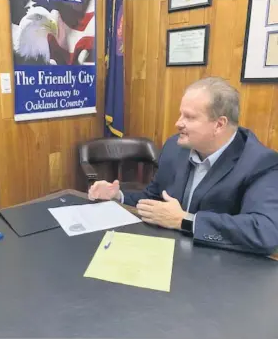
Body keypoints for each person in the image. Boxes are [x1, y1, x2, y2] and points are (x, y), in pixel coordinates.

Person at [89, 77, 278, 255]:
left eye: (189, 117)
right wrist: (117, 195)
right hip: (169, 254)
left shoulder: (260, 163)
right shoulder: (174, 147)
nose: (178, 123)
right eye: (181, 114)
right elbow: (152, 199)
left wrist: (185, 221)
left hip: (221, 267)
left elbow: (266, 231)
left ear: (219, 125)